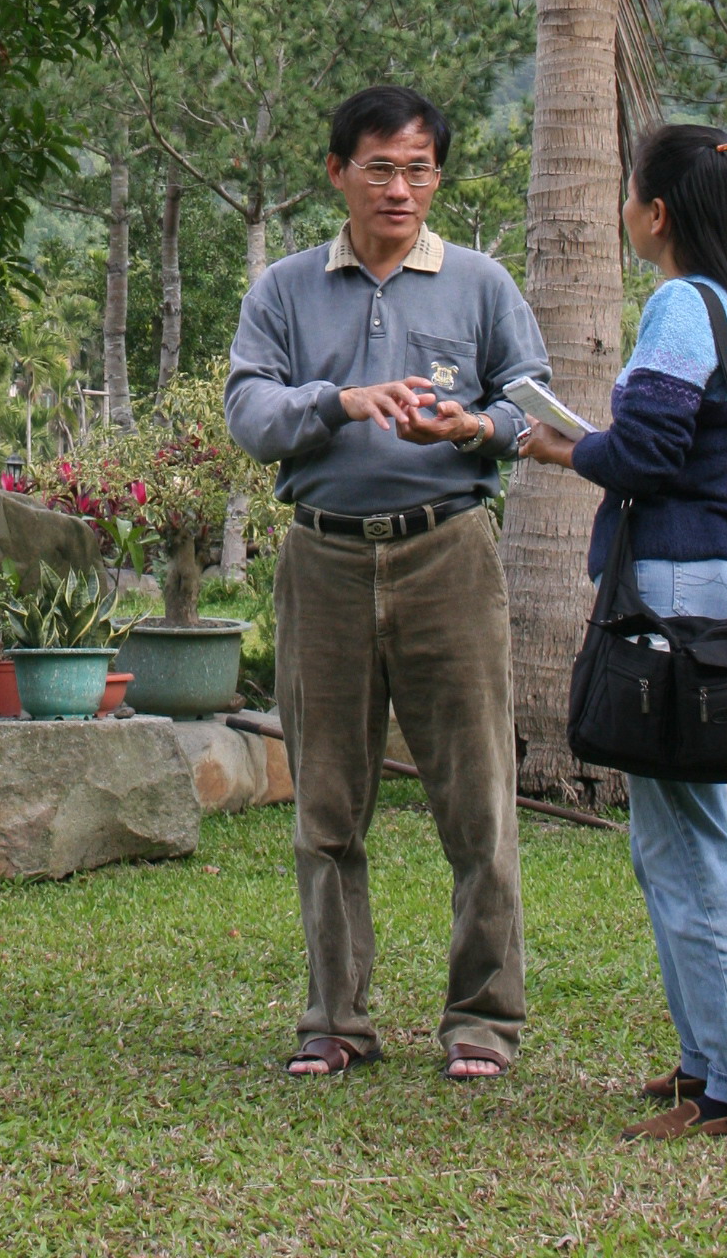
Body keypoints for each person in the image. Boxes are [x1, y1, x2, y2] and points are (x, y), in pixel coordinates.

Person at [225, 83, 550, 1083]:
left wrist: (472, 428)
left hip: (447, 551)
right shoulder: (283, 288)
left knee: (477, 799)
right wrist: (338, 402)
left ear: (436, 177)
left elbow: (530, 409)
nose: (399, 189)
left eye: (416, 169)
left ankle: (480, 1022)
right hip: (319, 556)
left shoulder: (481, 284)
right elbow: (248, 409)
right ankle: (333, 1020)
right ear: (337, 175)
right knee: (325, 803)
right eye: (378, 168)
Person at [521, 124, 727, 1142]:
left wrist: (557, 444)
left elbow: (644, 449)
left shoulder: (680, 305)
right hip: (720, 580)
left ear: (656, 211)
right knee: (667, 837)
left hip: (675, 587)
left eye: (627, 192)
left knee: (689, 846)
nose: (621, 207)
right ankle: (705, 1061)